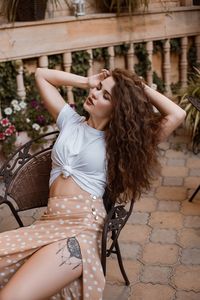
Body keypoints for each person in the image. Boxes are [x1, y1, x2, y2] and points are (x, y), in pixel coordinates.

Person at [0, 67, 186, 300]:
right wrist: (87, 80)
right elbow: (41, 75)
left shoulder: (120, 146)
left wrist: (137, 88)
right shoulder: (70, 121)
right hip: (50, 222)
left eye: (106, 96)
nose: (95, 94)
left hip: (83, 229)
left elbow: (177, 115)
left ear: (119, 109)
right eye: (98, 89)